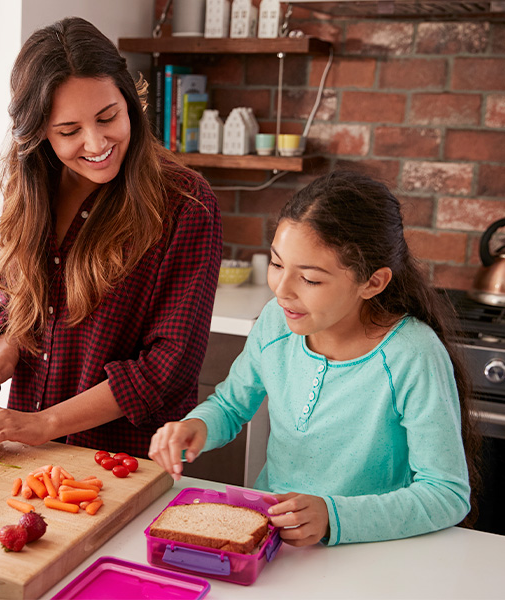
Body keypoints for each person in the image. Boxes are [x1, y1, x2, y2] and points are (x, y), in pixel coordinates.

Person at [148, 171, 481, 547]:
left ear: (373, 282)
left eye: (310, 279)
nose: (283, 290)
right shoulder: (276, 321)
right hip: (274, 539)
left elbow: (446, 494)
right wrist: (197, 426)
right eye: (276, 264)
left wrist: (333, 518)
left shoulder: (411, 356)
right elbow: (229, 404)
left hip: (374, 551)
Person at [0, 17, 222, 458]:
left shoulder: (185, 203)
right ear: (39, 133)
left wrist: (45, 422)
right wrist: (4, 354)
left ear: (129, 101)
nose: (96, 143)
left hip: (123, 461)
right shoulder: (32, 190)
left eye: (108, 116)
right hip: (27, 452)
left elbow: (169, 365)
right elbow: (21, 301)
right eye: (69, 131)